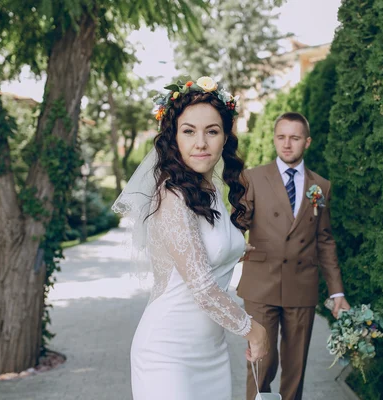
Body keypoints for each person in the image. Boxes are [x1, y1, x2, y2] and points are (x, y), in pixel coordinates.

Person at [112, 76, 269, 400]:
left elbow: (201, 248)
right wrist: (253, 330)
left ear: (225, 137)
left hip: (211, 351)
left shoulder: (208, 189)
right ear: (174, 138)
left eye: (211, 131)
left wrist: (234, 251)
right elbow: (201, 288)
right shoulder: (172, 195)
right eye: (189, 131)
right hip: (168, 354)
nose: (201, 142)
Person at [237, 112, 350, 400]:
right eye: (281, 137)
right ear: (275, 139)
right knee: (261, 362)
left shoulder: (320, 186)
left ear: (307, 142)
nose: (287, 144)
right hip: (261, 284)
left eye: (295, 138)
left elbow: (324, 240)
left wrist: (337, 292)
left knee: (295, 366)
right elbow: (236, 225)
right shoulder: (252, 177)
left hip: (301, 285)